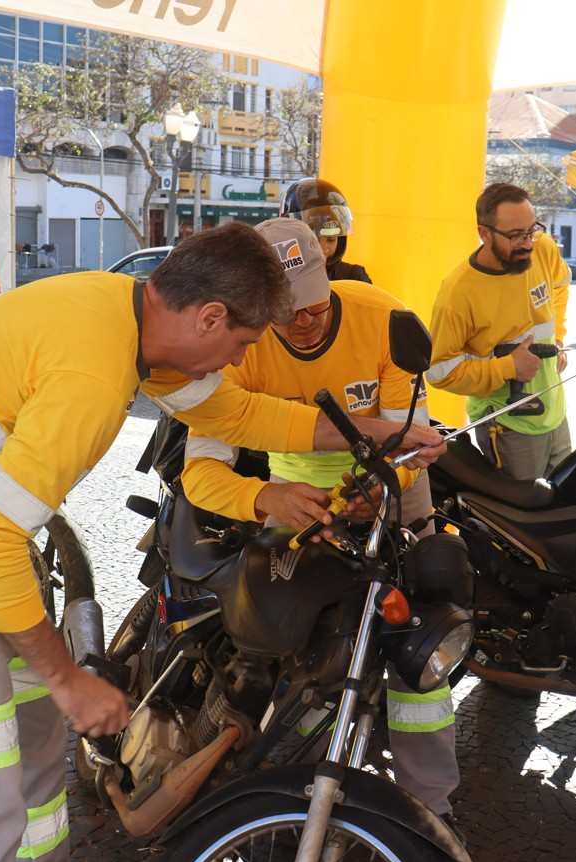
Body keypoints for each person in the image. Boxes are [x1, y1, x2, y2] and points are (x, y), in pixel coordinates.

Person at [0, 223, 444, 862]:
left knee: (34, 741)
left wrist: (380, 432)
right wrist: (72, 681)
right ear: (210, 316)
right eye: (243, 343)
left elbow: (238, 415)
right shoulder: (93, 376)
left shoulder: (130, 316)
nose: (237, 359)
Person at [181, 217, 461, 822]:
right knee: (304, 640)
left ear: (329, 273)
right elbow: (200, 474)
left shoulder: (384, 320)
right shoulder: (239, 347)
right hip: (298, 496)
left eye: (315, 305)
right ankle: (305, 784)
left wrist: (384, 488)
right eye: (287, 314)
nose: (305, 322)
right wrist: (266, 497)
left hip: (391, 487)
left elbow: (409, 444)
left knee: (420, 641)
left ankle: (431, 807)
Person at [427, 183, 572, 480]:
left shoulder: (542, 249)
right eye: (515, 235)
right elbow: (439, 371)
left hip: (555, 411)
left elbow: (561, 284)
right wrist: (507, 367)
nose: (527, 243)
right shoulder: (457, 294)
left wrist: (557, 336)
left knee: (564, 509)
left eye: (531, 230)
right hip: (508, 424)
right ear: (484, 233)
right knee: (522, 520)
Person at [280, 177, 373, 282]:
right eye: (314, 240)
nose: (323, 249)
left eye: (331, 239)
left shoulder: (355, 277)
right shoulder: (278, 281)